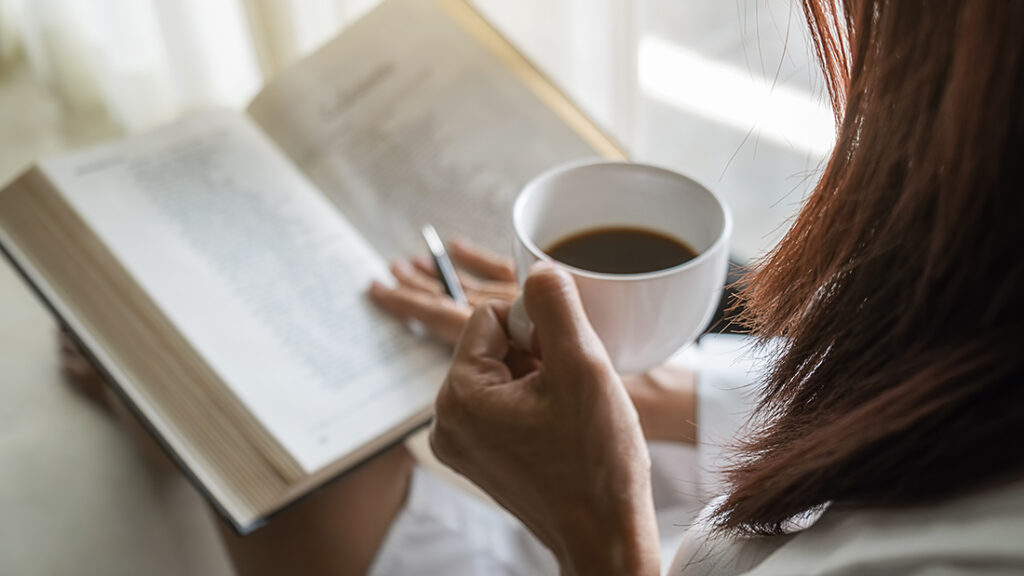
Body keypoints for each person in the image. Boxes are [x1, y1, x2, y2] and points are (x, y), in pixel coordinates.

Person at [64, 0, 1024, 574]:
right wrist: (654, 393)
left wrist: (596, 523)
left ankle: (165, 380)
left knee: (270, 446)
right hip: (760, 485)